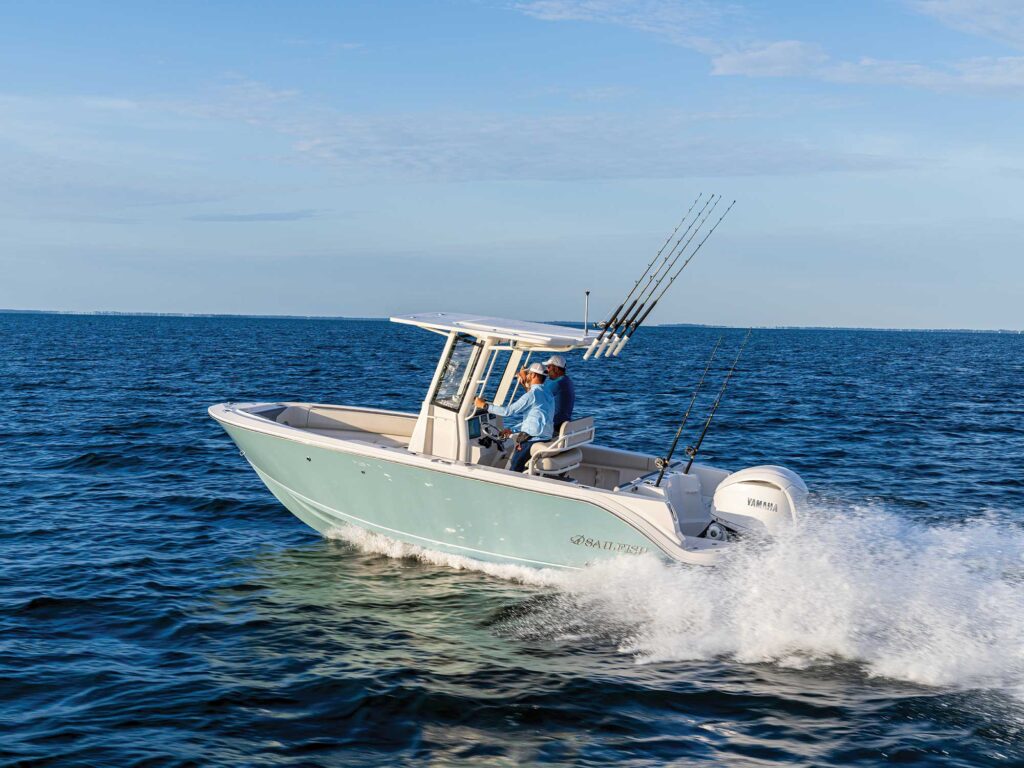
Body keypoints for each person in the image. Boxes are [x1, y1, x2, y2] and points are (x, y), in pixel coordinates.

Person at [474, 362, 554, 473]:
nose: (527, 376)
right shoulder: (548, 393)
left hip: (532, 441)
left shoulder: (532, 395)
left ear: (534, 375)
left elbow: (507, 411)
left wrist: (484, 405)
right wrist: (512, 430)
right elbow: (535, 419)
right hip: (546, 438)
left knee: (514, 471)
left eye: (529, 374)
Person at [542, 354, 575, 432]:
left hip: (554, 427)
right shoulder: (566, 381)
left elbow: (534, 398)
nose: (547, 370)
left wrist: (525, 383)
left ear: (556, 369)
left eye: (549, 367)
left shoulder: (557, 383)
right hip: (562, 425)